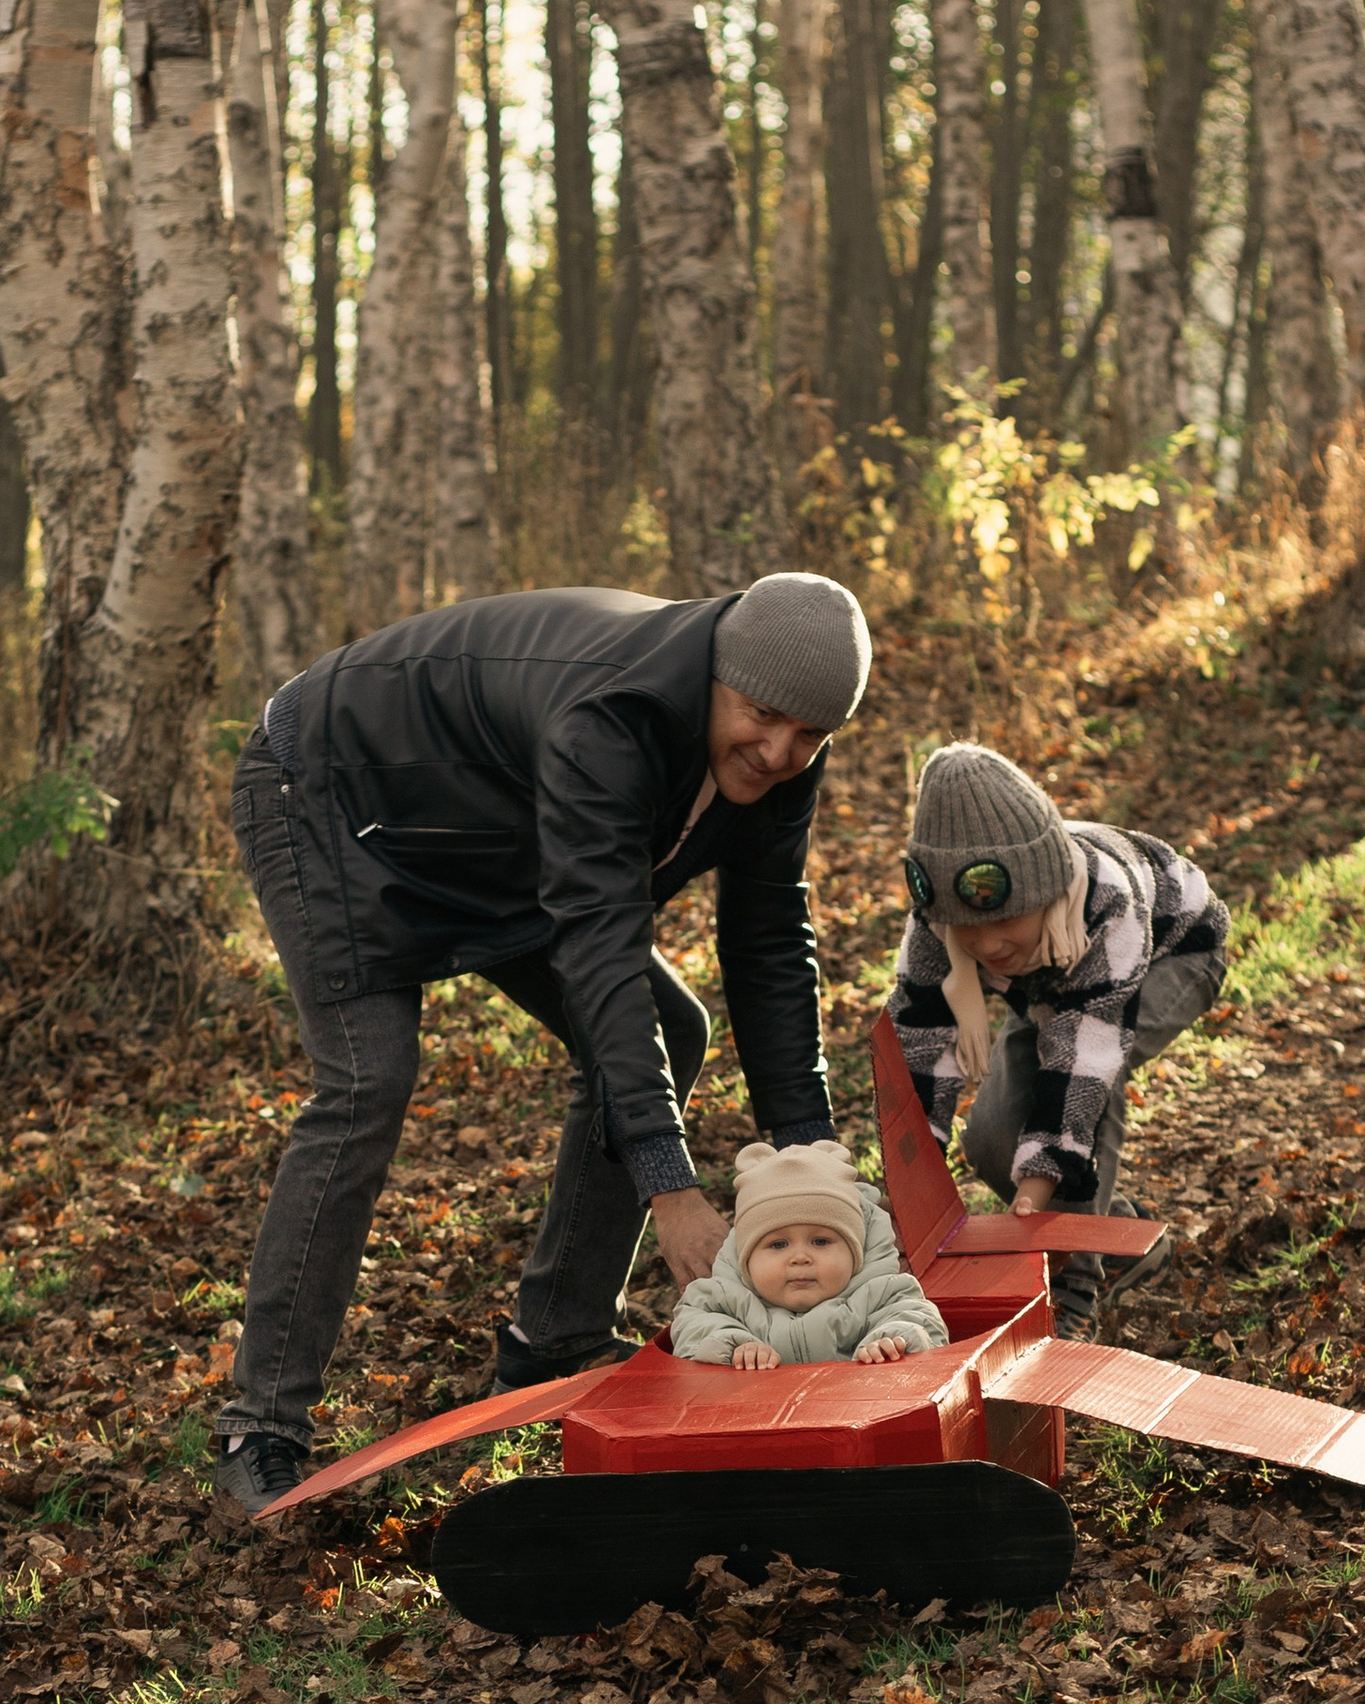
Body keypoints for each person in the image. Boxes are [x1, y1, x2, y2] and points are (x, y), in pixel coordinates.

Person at [214, 574, 872, 1518]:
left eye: (809, 736)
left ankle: (554, 1346)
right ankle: (260, 1426)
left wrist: (814, 1166)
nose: (778, 753)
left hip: (489, 828)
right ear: (718, 678)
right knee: (369, 1076)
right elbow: (598, 942)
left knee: (674, 1026)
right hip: (325, 788)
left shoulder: (784, 752)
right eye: (762, 717)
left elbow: (768, 947)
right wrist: (671, 1186)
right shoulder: (613, 714)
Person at [888, 742, 1229, 1329]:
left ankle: (1073, 1291)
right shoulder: (934, 923)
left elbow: (1084, 1060)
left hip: (1175, 956)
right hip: (1049, 986)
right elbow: (919, 1046)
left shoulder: (1106, 896)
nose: (988, 944)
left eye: (1003, 919)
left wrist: (1044, 1197)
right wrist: (905, 1189)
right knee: (993, 1142)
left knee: (1085, 1093)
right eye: (966, 928)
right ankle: (1124, 1233)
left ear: (1046, 889)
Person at [670, 1138, 947, 1373]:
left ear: (856, 1251)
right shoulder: (724, 1299)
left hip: (856, 1411)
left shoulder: (880, 1293)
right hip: (763, 1421)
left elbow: (920, 1320)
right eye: (778, 1245)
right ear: (745, 1257)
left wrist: (892, 1340)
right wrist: (734, 1344)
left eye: (820, 1241)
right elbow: (691, 1327)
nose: (800, 1257)